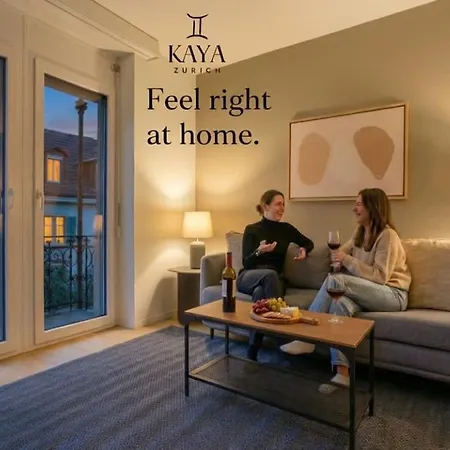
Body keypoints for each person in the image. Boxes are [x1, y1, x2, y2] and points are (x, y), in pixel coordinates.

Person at [280, 188, 412, 394]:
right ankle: (342, 375)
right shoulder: (360, 233)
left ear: (372, 207)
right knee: (339, 303)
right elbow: (340, 252)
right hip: (368, 291)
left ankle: (306, 337)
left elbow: (380, 277)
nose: (354, 208)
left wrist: (347, 260)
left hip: (393, 294)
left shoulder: (388, 236)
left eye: (358, 204)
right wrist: (338, 256)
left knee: (336, 280)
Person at [237, 189, 314, 360]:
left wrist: (304, 250)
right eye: (278, 204)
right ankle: (283, 339)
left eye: (283, 204)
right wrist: (259, 251)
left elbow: (308, 242)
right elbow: (246, 262)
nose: (282, 208)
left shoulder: (286, 229)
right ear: (265, 206)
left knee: (260, 294)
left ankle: (252, 351)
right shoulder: (252, 229)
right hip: (249, 276)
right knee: (269, 275)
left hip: (273, 280)